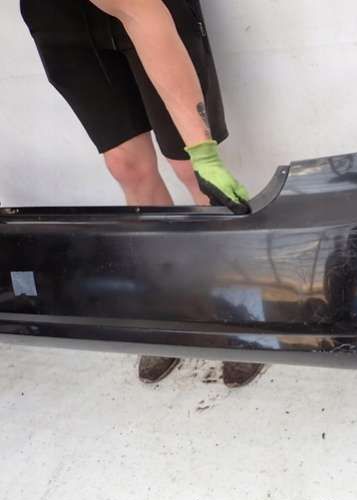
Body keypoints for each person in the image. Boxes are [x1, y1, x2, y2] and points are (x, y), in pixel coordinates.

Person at [20, 0, 264, 387]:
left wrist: (203, 153)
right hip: (57, 18)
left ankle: (242, 311)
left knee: (188, 165)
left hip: (147, 10)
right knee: (127, 166)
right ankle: (169, 306)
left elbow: (144, 15)